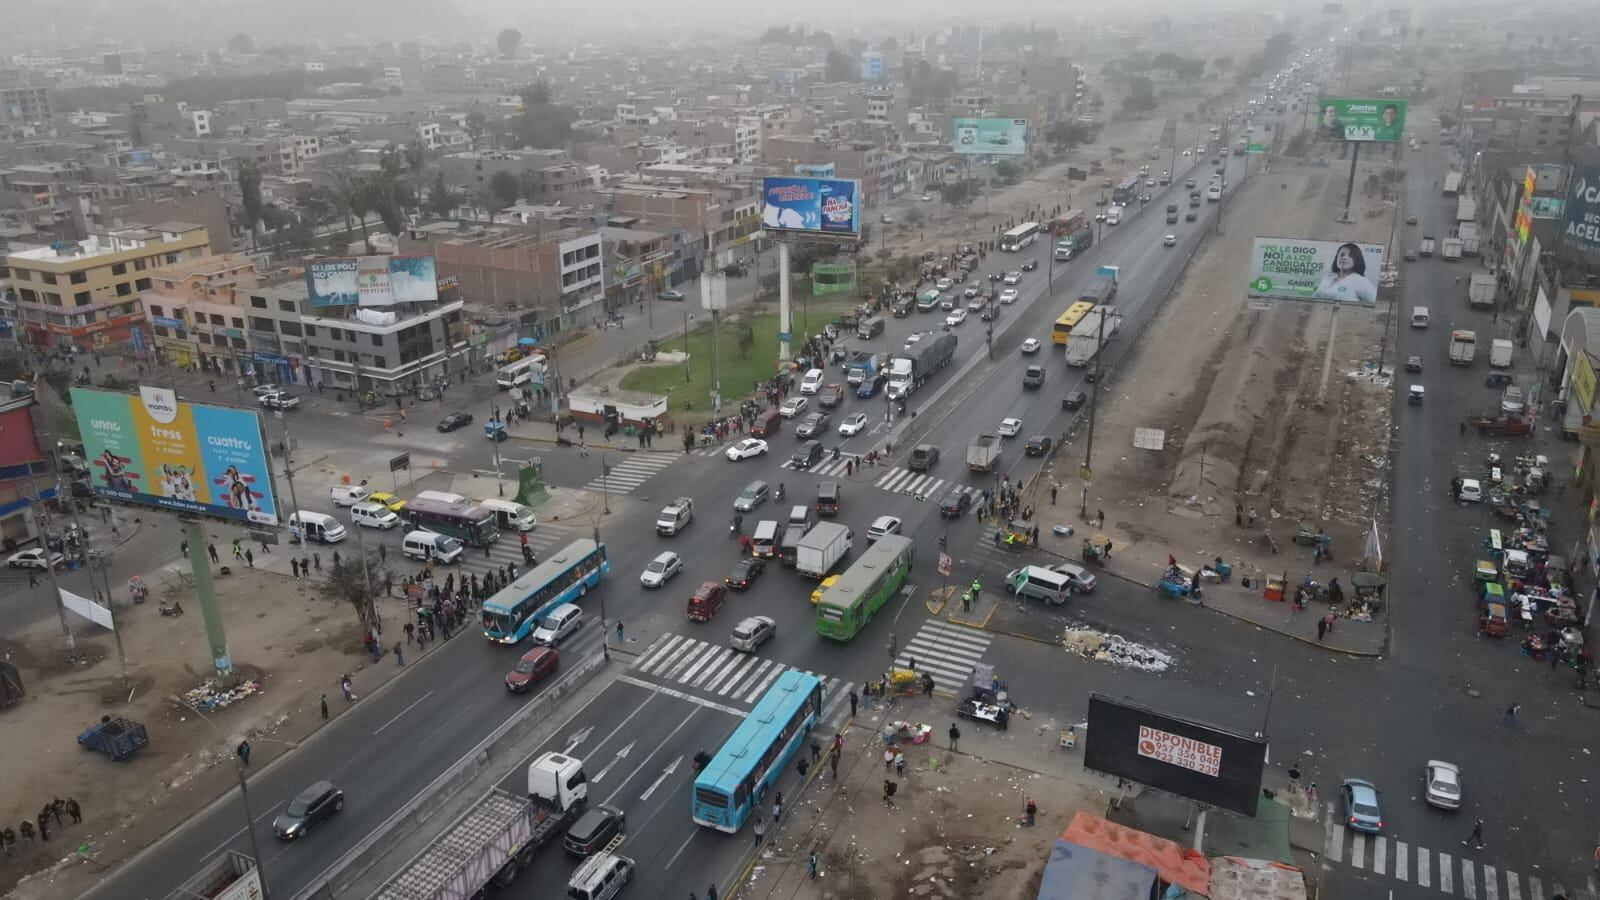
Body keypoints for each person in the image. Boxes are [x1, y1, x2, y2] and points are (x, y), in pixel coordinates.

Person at [1313, 243, 1378, 304]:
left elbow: (1376, 303)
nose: (1344, 258)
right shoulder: (1328, 276)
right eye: (1342, 255)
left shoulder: (1361, 281)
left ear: (1357, 259)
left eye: (1350, 255)